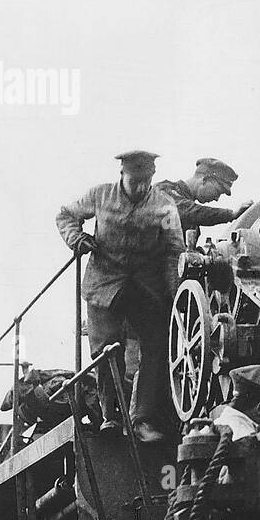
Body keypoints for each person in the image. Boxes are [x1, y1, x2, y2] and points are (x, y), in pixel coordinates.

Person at [55, 150, 185, 443]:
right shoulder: (100, 196)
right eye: (135, 180)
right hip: (104, 284)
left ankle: (142, 419)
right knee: (107, 350)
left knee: (156, 345)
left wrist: (173, 293)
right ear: (122, 175)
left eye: (146, 181)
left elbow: (173, 250)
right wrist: (76, 239)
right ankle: (110, 416)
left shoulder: (164, 207)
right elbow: (66, 215)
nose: (140, 187)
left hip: (146, 287)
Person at [155, 157, 255, 241]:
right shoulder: (163, 190)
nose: (216, 199)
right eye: (218, 192)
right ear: (204, 180)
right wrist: (231, 215)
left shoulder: (194, 221)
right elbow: (186, 211)